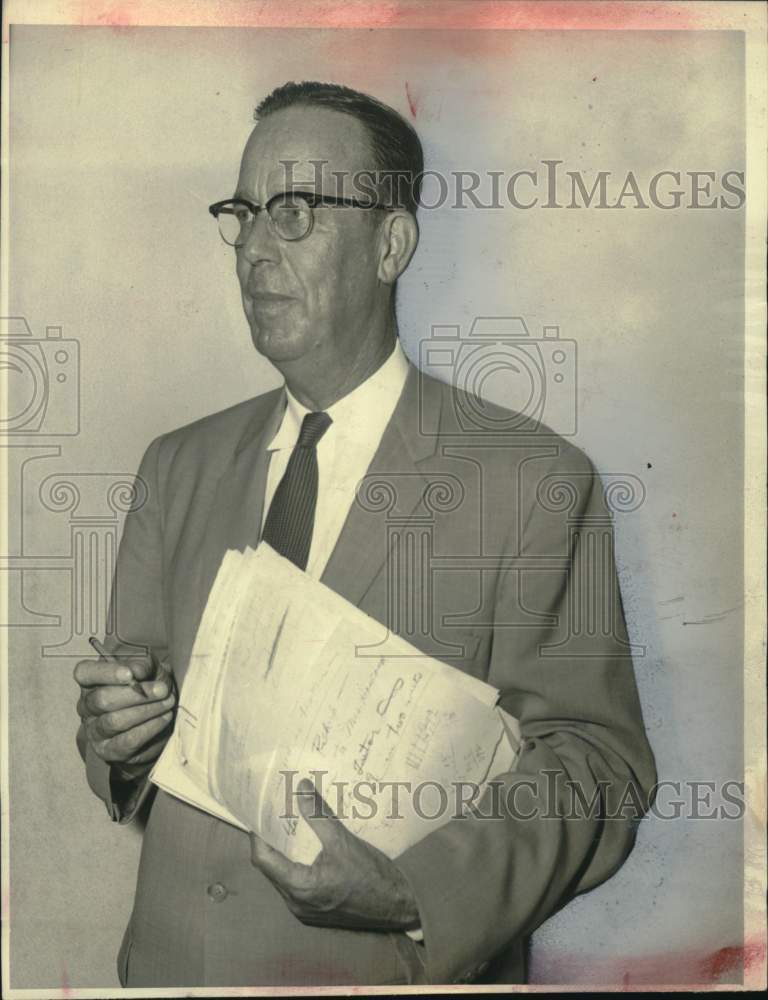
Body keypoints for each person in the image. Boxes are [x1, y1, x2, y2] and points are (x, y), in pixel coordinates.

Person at [74, 81, 656, 987]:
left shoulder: (536, 480)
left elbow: (597, 768)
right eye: (244, 213)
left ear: (392, 244)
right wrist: (120, 735)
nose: (254, 250)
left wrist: (412, 890)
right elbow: (130, 744)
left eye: (295, 212)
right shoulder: (174, 467)